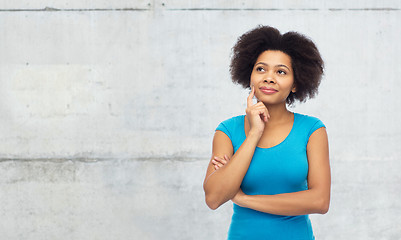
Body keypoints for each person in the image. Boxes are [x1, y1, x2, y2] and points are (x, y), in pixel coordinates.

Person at [203, 25, 331, 239]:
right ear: (249, 75)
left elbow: (320, 201)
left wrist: (244, 199)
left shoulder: (312, 130)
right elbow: (214, 198)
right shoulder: (227, 131)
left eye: (281, 72)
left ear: (295, 84)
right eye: (261, 69)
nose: (269, 77)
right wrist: (253, 134)